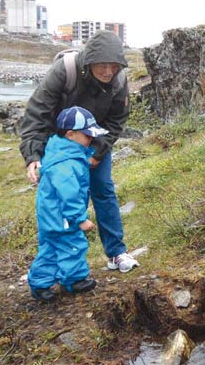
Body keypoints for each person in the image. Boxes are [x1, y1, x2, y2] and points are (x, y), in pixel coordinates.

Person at [19, 30, 139, 274]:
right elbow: (37, 114)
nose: (108, 72)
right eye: (102, 66)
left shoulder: (119, 80)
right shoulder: (65, 71)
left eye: (113, 66)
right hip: (61, 144)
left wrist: (97, 152)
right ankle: (60, 265)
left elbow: (116, 121)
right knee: (62, 198)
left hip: (95, 141)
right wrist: (32, 155)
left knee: (104, 191)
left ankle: (116, 253)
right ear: (89, 62)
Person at [28, 106, 107, 302]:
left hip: (50, 214)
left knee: (51, 248)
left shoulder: (61, 153)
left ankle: (40, 284)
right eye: (87, 135)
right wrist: (79, 219)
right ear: (71, 134)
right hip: (61, 216)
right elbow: (68, 194)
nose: (91, 139)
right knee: (73, 244)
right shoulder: (67, 163)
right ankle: (74, 280)